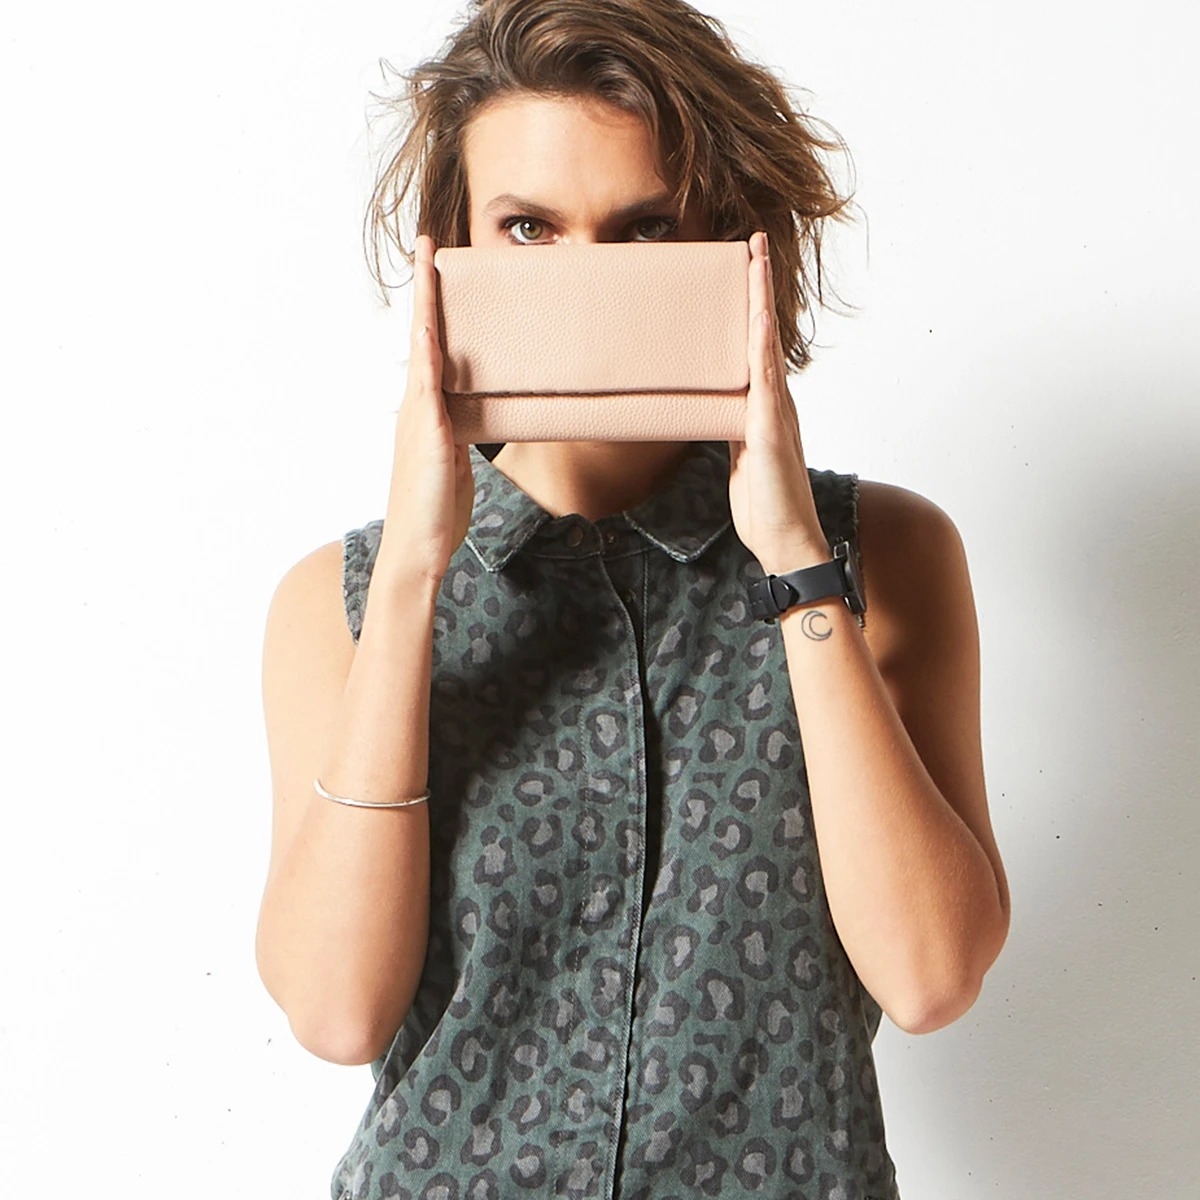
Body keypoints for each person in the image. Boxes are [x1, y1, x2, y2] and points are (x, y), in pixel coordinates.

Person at [255, 1, 1011, 1197]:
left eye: (646, 228)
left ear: (731, 244)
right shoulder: (342, 599)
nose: (586, 282)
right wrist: (412, 578)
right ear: (451, 253)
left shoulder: (879, 553)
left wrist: (793, 558)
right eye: (528, 228)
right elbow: (337, 1014)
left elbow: (930, 977)